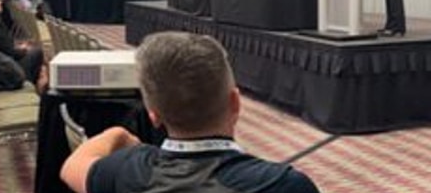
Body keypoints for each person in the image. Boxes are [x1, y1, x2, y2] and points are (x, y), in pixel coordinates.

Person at [60, 32, 319, 193]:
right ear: (235, 103)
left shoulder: (126, 173)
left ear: (153, 115)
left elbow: (71, 167)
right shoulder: (284, 185)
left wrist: (118, 134)